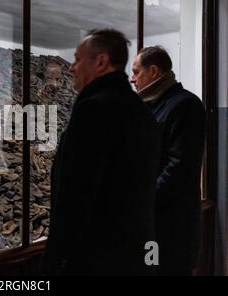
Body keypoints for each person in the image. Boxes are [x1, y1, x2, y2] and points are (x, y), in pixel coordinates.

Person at [44, 29, 160, 275]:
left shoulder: (93, 110)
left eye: (77, 59)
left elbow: (77, 196)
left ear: (101, 62)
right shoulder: (141, 111)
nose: (71, 67)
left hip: (95, 260)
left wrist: (59, 260)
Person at [131, 46, 206, 275]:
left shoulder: (185, 105)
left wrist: (142, 201)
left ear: (153, 71)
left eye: (136, 72)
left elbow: (179, 167)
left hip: (170, 225)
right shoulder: (149, 107)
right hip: (152, 223)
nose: (132, 79)